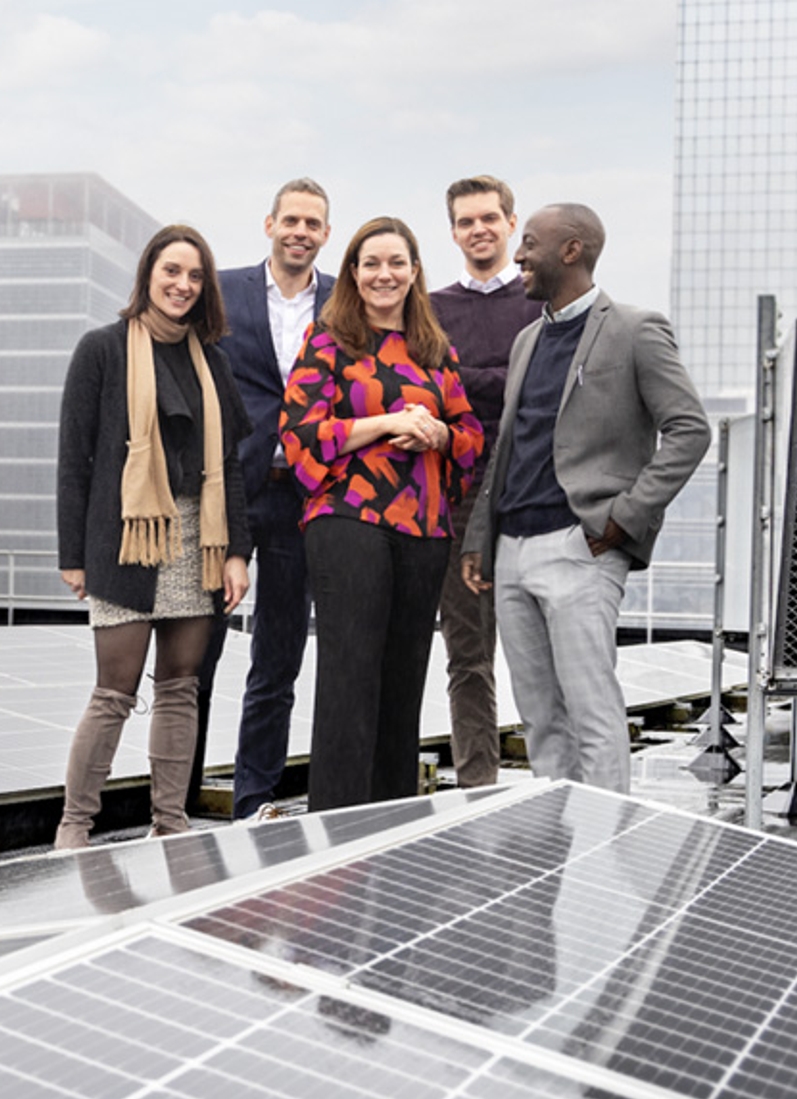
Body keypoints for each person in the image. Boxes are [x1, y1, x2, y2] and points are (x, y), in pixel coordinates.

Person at [461, 204, 709, 792]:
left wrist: (625, 519)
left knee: (592, 712)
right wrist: (480, 537)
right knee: (540, 719)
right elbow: (509, 445)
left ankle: (606, 835)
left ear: (571, 250)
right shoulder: (527, 340)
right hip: (511, 550)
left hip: (582, 545)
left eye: (530, 243)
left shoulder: (635, 329)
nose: (520, 255)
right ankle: (561, 835)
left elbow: (689, 429)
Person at [55, 223, 253, 847]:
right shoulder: (102, 349)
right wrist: (72, 556)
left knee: (180, 688)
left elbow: (232, 465)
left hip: (199, 535)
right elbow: (75, 457)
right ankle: (74, 825)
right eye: (172, 271)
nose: (182, 285)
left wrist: (237, 553)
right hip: (125, 538)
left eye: (195, 276)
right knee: (113, 691)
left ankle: (170, 823)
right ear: (148, 275)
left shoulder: (212, 361)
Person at [280, 217, 483, 812]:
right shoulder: (328, 341)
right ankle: (335, 828)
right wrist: (389, 422)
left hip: (425, 531)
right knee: (349, 678)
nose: (384, 274)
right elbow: (299, 434)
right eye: (371, 263)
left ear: (414, 272)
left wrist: (438, 433)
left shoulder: (436, 350)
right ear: (353, 272)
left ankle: (392, 825)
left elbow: (471, 436)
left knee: (404, 684)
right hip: (349, 521)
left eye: (396, 263)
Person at [215, 179, 336, 819]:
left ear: (326, 234)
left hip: (304, 494)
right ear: (270, 224)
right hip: (231, 488)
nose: (300, 232)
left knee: (279, 656)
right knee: (196, 653)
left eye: (312, 224)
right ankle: (172, 808)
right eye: (291, 220)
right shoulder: (223, 291)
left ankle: (253, 799)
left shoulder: (344, 299)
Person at [429, 175, 537, 787]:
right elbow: (433, 388)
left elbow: (541, 388)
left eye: (489, 218)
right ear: (453, 232)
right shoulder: (433, 309)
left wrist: (467, 378)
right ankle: (478, 787)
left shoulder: (540, 301)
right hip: (461, 493)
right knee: (467, 654)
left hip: (532, 489)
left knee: (540, 652)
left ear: (511, 223)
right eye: (466, 221)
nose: (479, 230)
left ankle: (555, 782)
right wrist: (503, 378)